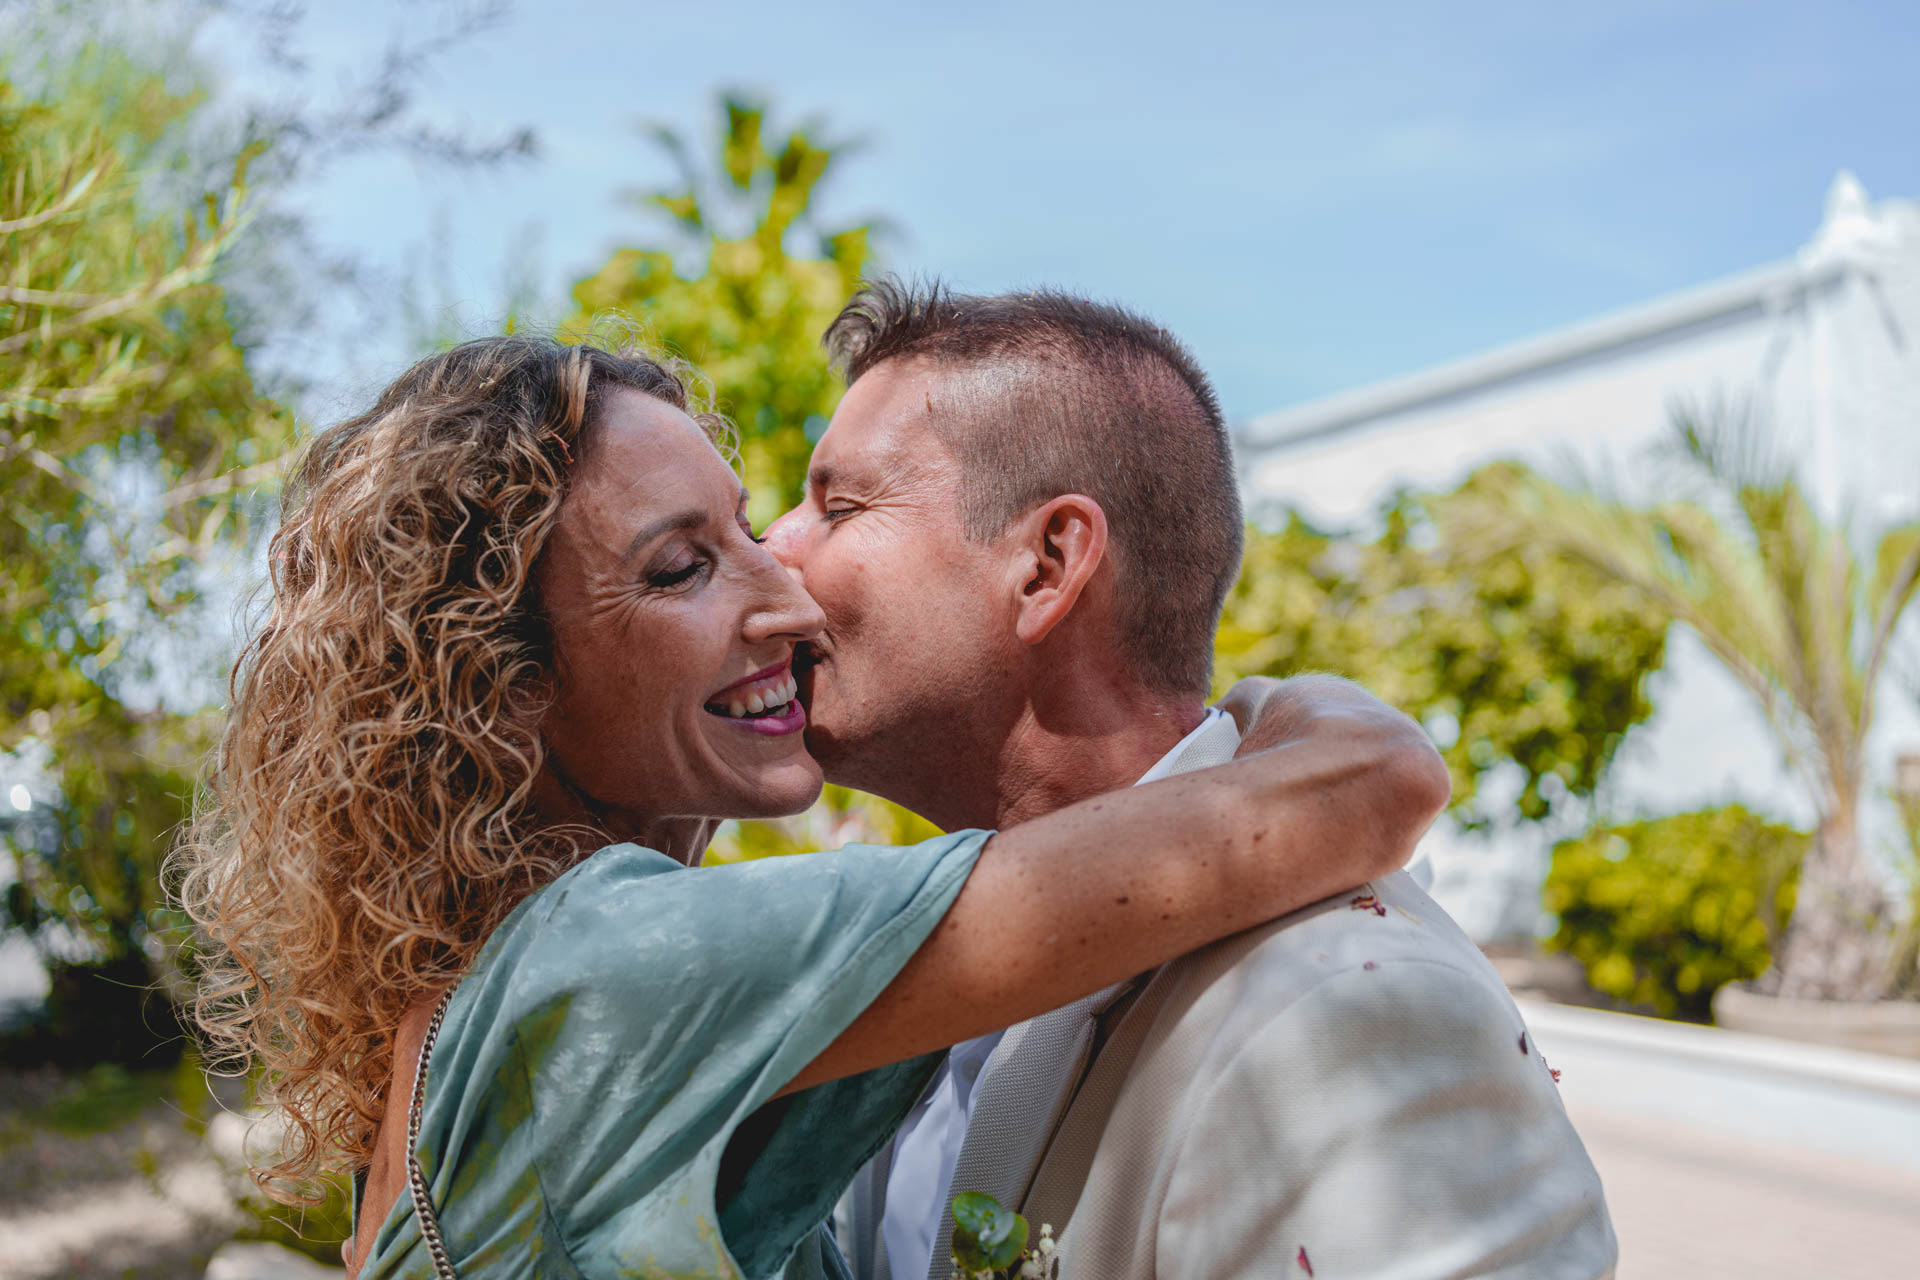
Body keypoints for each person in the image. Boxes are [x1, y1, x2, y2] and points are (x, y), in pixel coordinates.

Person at [171, 334, 1449, 1280]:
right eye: (681, 568)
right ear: (501, 685)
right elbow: (1375, 789)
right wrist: (1296, 703)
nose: (786, 594)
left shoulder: (502, 991)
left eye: (754, 528)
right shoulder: (600, 967)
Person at [764, 281, 1619, 1280]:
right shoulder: (923, 941)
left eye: (839, 503)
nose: (771, 546)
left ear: (1048, 563)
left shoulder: (1350, 1016)